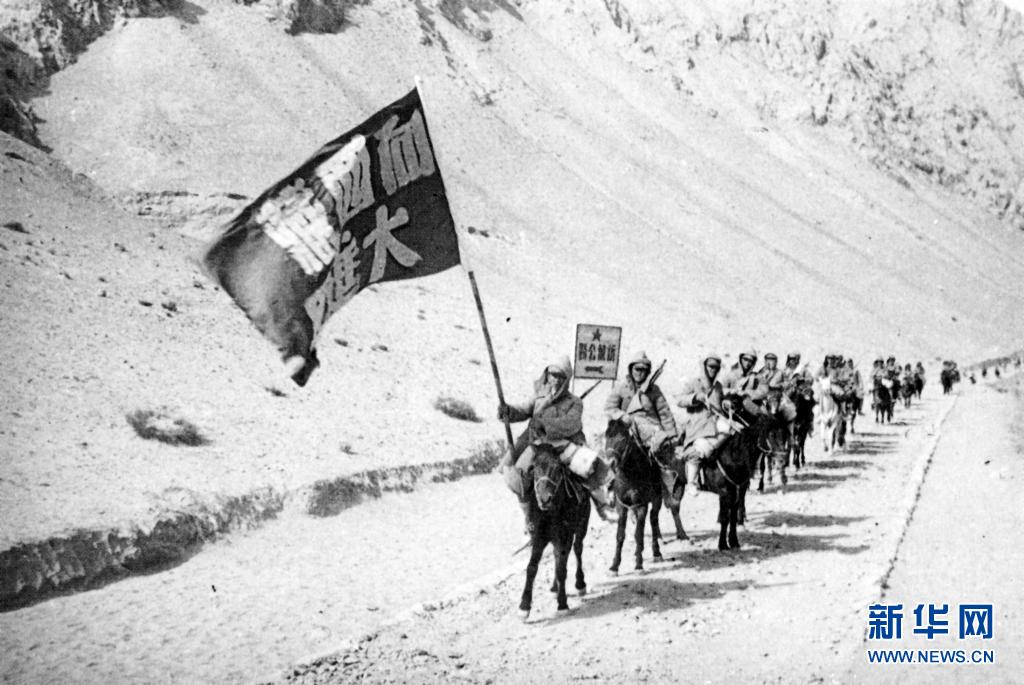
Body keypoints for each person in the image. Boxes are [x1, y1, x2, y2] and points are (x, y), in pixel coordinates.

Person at [499, 357, 589, 533]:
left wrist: (544, 423)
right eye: (552, 374)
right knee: (518, 476)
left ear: (566, 379)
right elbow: (523, 410)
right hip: (538, 444)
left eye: (560, 376)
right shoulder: (539, 397)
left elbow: (571, 423)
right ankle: (529, 519)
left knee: (585, 473)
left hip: (563, 444)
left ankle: (595, 507)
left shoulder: (575, 402)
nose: (555, 379)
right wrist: (509, 411)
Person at [604, 351, 678, 459]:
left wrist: (671, 434)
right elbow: (609, 407)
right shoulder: (621, 388)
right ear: (631, 369)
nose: (639, 373)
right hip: (626, 430)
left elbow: (664, 413)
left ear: (648, 372)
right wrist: (622, 416)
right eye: (637, 369)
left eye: (643, 370)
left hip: (651, 432)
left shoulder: (654, 390)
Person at [677, 353, 730, 495]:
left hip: (715, 423)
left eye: (716, 367)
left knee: (732, 431)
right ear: (704, 366)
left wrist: (725, 403)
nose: (713, 369)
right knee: (697, 452)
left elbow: (720, 404)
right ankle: (692, 482)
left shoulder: (718, 386)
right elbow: (679, 400)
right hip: (698, 424)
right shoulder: (694, 383)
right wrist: (695, 398)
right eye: (711, 366)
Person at [721, 349, 768, 417]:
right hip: (731, 408)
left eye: (750, 361)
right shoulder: (731, 375)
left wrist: (747, 393)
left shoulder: (757, 377)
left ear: (753, 363)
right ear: (741, 359)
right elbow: (721, 389)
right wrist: (732, 391)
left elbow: (764, 392)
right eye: (745, 359)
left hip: (750, 411)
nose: (747, 363)